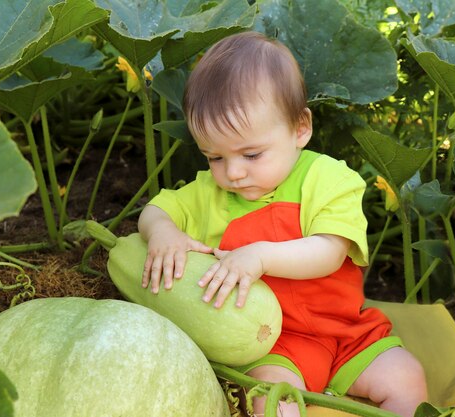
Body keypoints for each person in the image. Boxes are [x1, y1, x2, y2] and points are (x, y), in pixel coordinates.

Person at [137, 31, 427, 417]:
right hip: (271, 345)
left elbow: (329, 251)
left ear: (300, 129)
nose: (233, 173)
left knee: (408, 379)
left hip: (346, 332)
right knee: (270, 402)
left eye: (251, 154)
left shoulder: (328, 179)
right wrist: (163, 232)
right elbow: (155, 210)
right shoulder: (207, 193)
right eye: (214, 157)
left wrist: (260, 256)